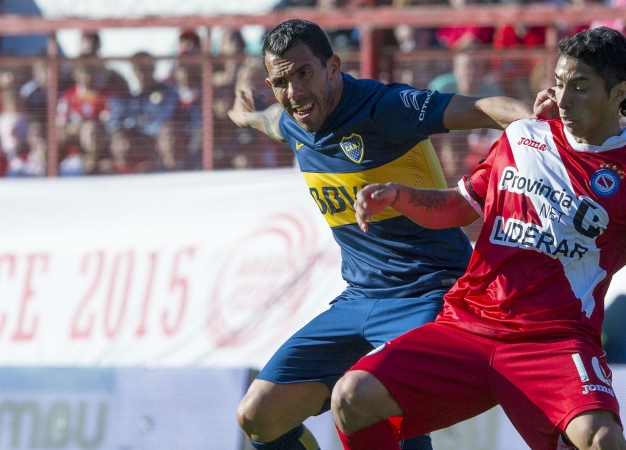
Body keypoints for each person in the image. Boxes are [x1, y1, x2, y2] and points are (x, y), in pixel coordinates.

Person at [333, 27, 626, 450]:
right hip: (468, 325)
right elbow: (460, 207)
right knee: (351, 398)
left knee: (603, 441)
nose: (564, 100)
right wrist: (399, 196)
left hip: (553, 342)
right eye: (560, 83)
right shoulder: (522, 137)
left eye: (581, 87)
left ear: (618, 92)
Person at [227, 19, 533, 450]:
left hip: (430, 293)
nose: (293, 91)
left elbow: (482, 107)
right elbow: (271, 120)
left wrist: (542, 128)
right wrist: (245, 116)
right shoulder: (297, 118)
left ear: (332, 67)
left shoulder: (384, 107)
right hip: (359, 298)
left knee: (380, 408)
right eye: (281, 81)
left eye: (303, 74)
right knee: (257, 419)